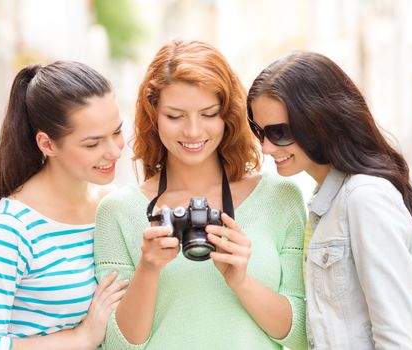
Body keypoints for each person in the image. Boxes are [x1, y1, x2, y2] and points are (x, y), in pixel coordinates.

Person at [94, 39, 308, 350]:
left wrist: (241, 281)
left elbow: (302, 336)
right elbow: (117, 345)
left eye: (208, 114)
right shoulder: (118, 210)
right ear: (153, 116)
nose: (193, 132)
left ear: (228, 115)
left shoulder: (280, 197)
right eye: (175, 116)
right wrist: (148, 269)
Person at [247, 51, 412, 349]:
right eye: (259, 131)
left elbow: (399, 338)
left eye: (279, 132)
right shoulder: (325, 203)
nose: (267, 147)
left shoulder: (365, 198)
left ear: (318, 120)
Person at [0, 61, 129, 350]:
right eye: (92, 144)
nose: (113, 150)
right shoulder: (14, 228)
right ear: (47, 144)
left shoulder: (113, 207)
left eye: (117, 132)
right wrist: (81, 337)